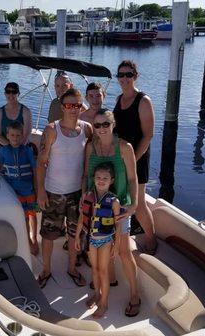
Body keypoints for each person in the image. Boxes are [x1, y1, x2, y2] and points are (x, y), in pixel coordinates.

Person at [83, 108, 141, 317]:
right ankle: (99, 295)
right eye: (97, 125)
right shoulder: (91, 147)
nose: (101, 129)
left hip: (120, 209)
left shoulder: (125, 147)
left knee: (124, 253)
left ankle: (135, 295)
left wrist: (134, 205)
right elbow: (86, 176)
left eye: (105, 124)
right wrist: (84, 198)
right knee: (101, 258)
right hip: (97, 207)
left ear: (113, 124)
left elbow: (133, 179)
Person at [36, 88, 93, 289]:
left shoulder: (87, 129)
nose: (74, 109)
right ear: (62, 107)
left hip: (77, 192)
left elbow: (90, 161)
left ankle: (71, 268)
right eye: (69, 105)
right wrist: (41, 191)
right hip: (53, 192)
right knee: (49, 234)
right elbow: (41, 162)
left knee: (74, 234)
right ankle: (46, 270)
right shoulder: (52, 130)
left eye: (77, 105)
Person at [113, 59, 157, 255]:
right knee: (121, 197)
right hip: (120, 157)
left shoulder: (143, 101)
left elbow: (148, 135)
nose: (124, 78)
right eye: (120, 75)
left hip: (137, 157)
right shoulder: (118, 100)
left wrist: (134, 159)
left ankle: (151, 239)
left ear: (135, 76)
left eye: (128, 75)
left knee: (138, 203)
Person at [75, 162, 121, 318]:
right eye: (98, 177)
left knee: (103, 271)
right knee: (94, 270)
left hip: (106, 241)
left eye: (105, 178)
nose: (101, 180)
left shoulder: (114, 201)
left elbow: (118, 225)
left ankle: (104, 303)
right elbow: (82, 218)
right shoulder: (88, 196)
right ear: (94, 178)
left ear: (111, 180)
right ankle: (96, 294)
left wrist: (117, 245)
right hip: (90, 239)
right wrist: (76, 237)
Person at [0, 121, 39, 255]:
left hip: (29, 189)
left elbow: (34, 169)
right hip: (14, 190)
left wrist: (37, 189)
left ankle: (34, 238)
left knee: (33, 214)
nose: (15, 138)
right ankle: (27, 239)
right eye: (12, 135)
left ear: (22, 137)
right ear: (7, 136)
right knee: (24, 216)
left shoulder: (27, 150)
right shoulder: (3, 151)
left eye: (18, 135)